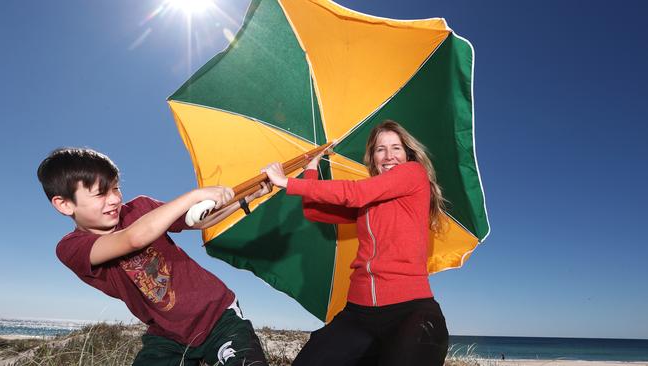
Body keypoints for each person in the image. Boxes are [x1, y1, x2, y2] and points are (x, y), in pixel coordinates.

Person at [37, 147, 270, 366]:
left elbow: (199, 219)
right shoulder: (71, 248)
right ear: (65, 204)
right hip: (167, 334)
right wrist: (195, 195)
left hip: (218, 316)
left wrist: (246, 199)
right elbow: (134, 238)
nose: (115, 199)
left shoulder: (141, 207)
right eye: (101, 193)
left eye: (116, 188)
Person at [263, 120, 449, 366]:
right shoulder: (367, 201)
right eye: (380, 149)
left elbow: (356, 193)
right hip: (359, 313)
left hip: (410, 311)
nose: (388, 155)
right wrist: (311, 167)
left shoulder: (413, 173)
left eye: (396, 148)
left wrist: (286, 182)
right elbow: (314, 211)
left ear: (408, 154)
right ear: (372, 157)